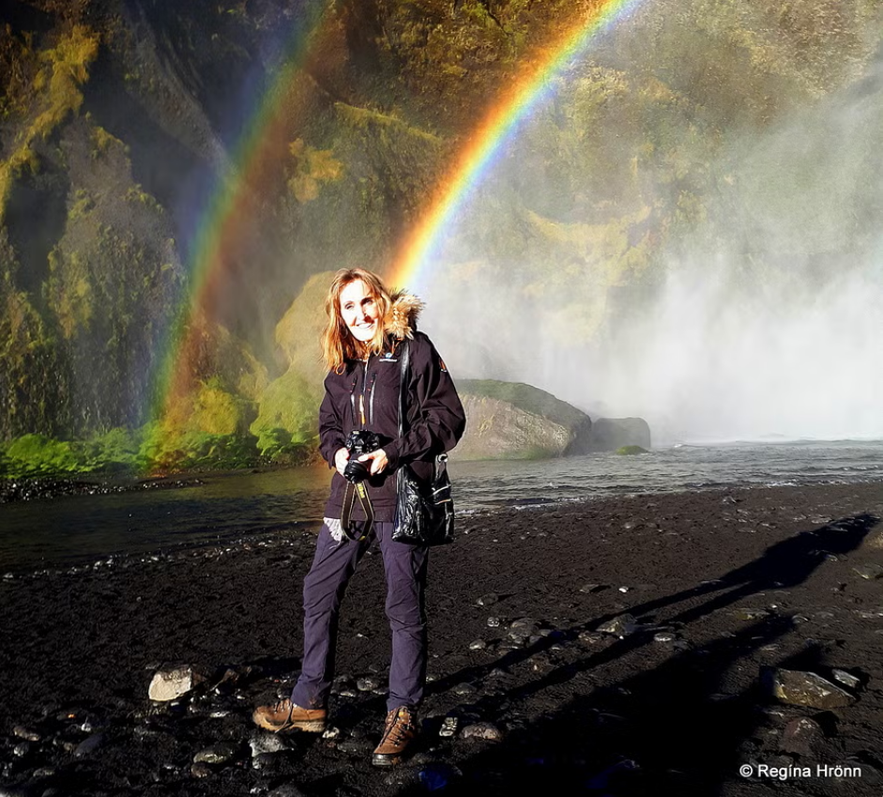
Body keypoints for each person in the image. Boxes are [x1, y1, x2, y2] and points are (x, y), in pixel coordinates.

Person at [252, 268, 466, 766]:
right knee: (318, 591)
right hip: (347, 499)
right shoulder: (341, 364)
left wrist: (394, 452)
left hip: (400, 496)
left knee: (403, 605)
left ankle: (402, 713)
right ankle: (309, 702)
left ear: (381, 300)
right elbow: (327, 426)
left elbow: (449, 417)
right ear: (339, 315)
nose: (361, 314)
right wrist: (338, 455)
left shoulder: (414, 350)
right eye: (349, 307)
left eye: (366, 301)